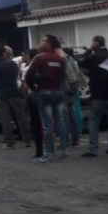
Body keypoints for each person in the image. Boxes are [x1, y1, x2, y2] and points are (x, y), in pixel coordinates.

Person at [25, 35, 68, 163]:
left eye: (43, 40)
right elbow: (63, 76)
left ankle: (49, 152)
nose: (40, 42)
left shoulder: (40, 58)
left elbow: (28, 76)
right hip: (58, 92)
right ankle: (64, 150)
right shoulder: (60, 58)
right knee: (60, 121)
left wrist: (34, 89)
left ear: (49, 43)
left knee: (47, 124)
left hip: (44, 93)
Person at [78, 35, 108, 157]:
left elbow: (81, 62)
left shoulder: (94, 57)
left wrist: (88, 50)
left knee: (94, 120)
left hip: (99, 94)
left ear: (96, 43)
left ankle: (93, 149)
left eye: (93, 42)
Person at [0, 45, 31, 149]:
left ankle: (10, 142)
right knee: (21, 117)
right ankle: (27, 140)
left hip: (2, 95)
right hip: (14, 93)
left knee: (6, 120)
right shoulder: (12, 64)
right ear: (4, 53)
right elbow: (16, 76)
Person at [21, 48, 43, 158]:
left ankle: (39, 150)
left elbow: (25, 86)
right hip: (44, 95)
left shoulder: (27, 69)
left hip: (32, 96)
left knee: (35, 122)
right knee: (46, 121)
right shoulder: (43, 66)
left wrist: (25, 97)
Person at [63, 48, 84, 147]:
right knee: (73, 114)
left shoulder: (64, 59)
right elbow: (77, 74)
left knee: (65, 116)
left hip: (65, 89)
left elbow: (66, 75)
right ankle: (76, 138)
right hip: (73, 88)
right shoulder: (73, 61)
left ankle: (66, 140)